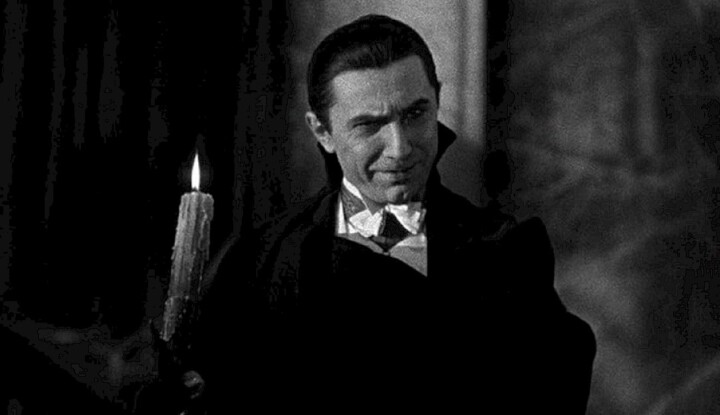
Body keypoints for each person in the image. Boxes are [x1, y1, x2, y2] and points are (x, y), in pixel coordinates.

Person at [148, 14, 596, 414]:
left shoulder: (506, 253)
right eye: (368, 125)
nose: (400, 148)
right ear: (322, 131)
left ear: (437, 101)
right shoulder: (256, 261)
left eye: (415, 113)